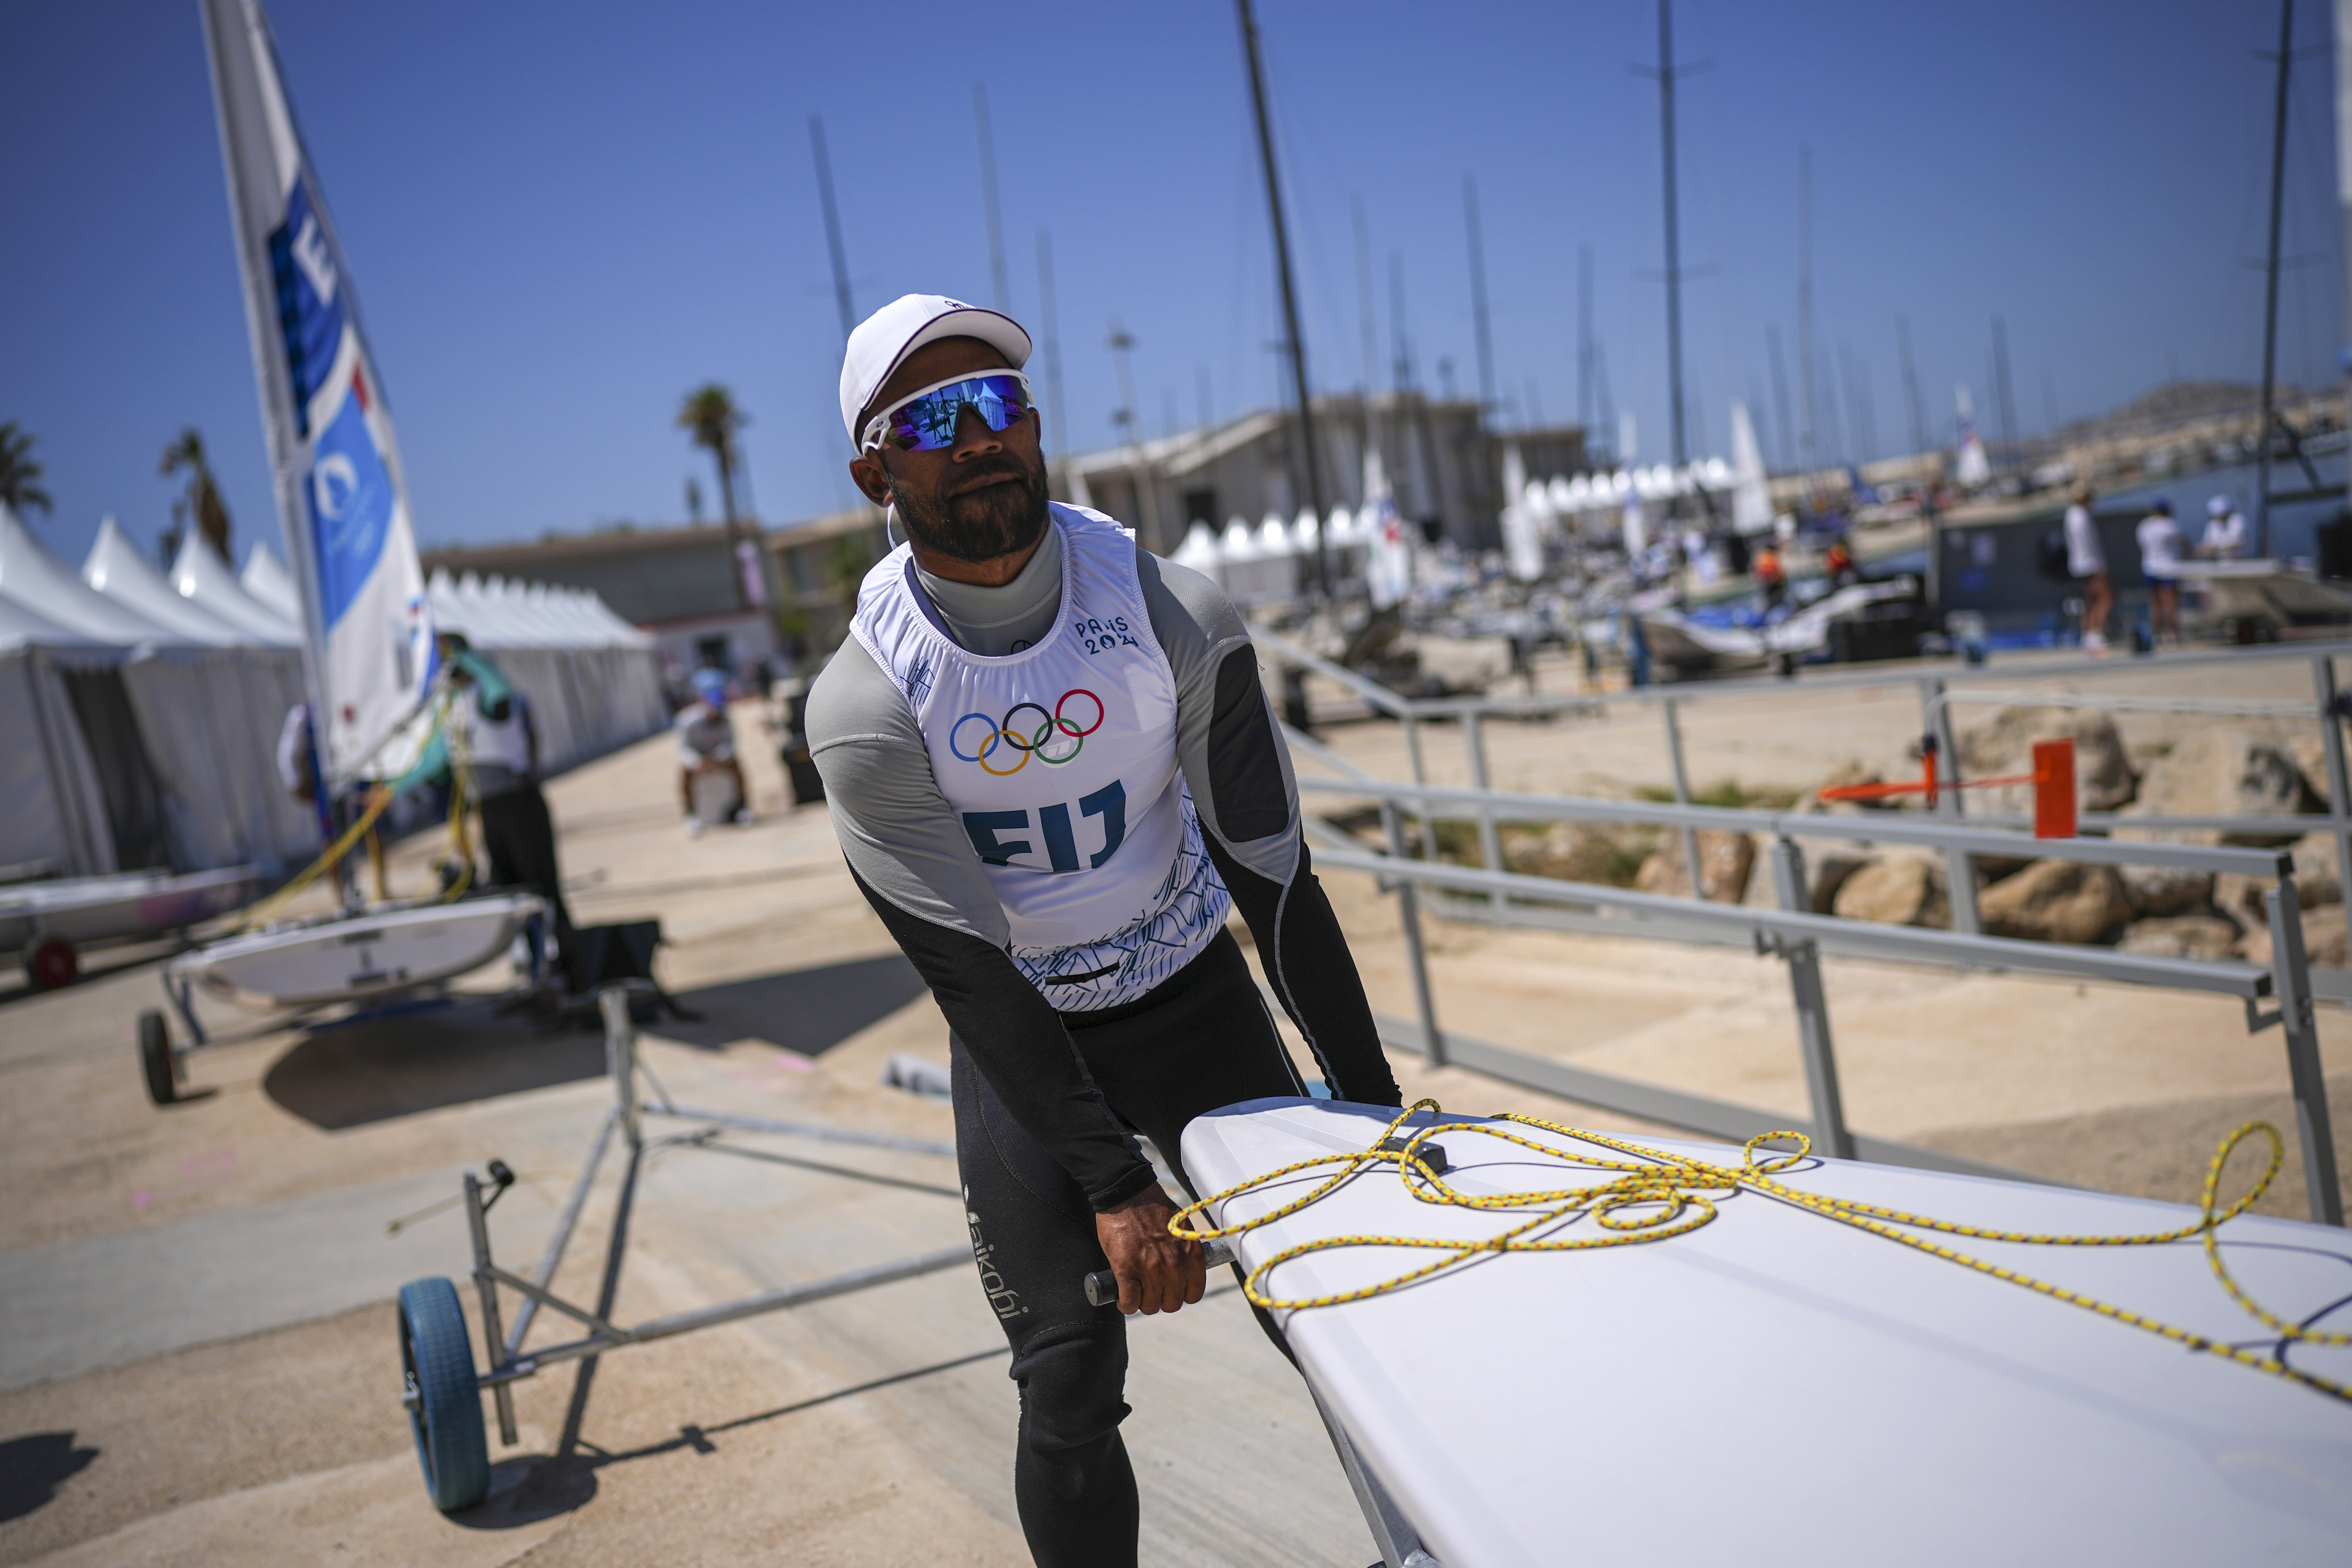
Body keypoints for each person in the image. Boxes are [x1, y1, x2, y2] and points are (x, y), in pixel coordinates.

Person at [806, 295, 1402, 1568]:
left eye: (999, 405)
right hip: (1030, 1045)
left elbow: (1276, 881)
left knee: (1351, 1313)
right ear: (875, 470)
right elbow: (969, 975)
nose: (979, 438)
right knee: (1067, 1387)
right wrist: (1117, 1184)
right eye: (932, 420)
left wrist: (1371, 1105)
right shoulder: (863, 704)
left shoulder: (1170, 609)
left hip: (1194, 996)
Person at [391, 631, 573, 969]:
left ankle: (569, 961)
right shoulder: (450, 708)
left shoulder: (490, 696)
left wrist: (459, 654)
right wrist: (389, 790)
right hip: (488, 809)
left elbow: (498, 683)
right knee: (509, 889)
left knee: (543, 887)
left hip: (519, 801)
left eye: (449, 661)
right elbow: (432, 759)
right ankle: (534, 965)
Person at [676, 668, 751, 835]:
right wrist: (697, 762)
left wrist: (719, 757)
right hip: (699, 761)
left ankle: (743, 807)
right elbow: (684, 750)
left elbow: (730, 745)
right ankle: (691, 815)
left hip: (718, 758)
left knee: (737, 764)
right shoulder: (687, 721)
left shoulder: (726, 720)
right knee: (684, 774)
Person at [2063, 484, 2112, 653]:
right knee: (2105, 598)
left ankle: (2088, 634)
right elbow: (2089, 544)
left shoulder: (2071, 515)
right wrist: (2099, 564)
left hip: (2078, 563)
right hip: (2090, 563)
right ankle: (2096, 633)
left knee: (2090, 600)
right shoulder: (2081, 516)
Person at [2137, 497, 2186, 647]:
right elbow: (2184, 543)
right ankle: (2171, 635)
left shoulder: (2144, 527)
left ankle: (2157, 635)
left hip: (2150, 568)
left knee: (2155, 604)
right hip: (2168, 568)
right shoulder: (2170, 525)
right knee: (2170, 603)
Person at [2201, 495, 2247, 560]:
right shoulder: (2213, 524)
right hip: (2219, 563)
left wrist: (2215, 548)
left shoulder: (2237, 520)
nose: (2220, 519)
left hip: (2240, 562)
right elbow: (2207, 543)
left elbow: (2235, 543)